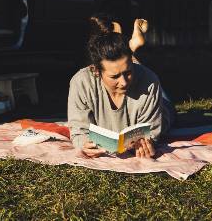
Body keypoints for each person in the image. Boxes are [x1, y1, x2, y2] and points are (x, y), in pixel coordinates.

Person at [68, 15, 175, 158]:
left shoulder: (150, 81)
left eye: (128, 73)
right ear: (96, 71)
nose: (124, 82)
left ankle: (132, 51)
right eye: (114, 77)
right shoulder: (81, 82)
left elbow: (152, 132)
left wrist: (145, 143)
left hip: (161, 105)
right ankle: (131, 47)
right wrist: (84, 144)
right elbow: (78, 131)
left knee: (167, 109)